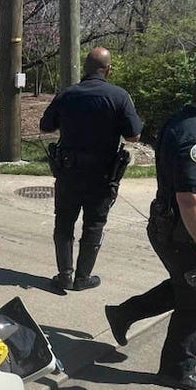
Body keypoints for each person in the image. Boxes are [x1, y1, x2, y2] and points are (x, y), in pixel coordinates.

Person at [103, 61, 196, 390]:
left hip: (172, 226)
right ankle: (176, 370)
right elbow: (190, 199)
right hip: (183, 232)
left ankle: (124, 313)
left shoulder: (183, 120)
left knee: (188, 285)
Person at [39, 47, 143, 291]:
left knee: (64, 223)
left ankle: (65, 274)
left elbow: (45, 127)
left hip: (69, 171)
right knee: (94, 225)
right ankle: (83, 278)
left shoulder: (67, 94)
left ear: (85, 69)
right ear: (108, 69)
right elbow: (134, 135)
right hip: (102, 175)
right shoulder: (119, 96)